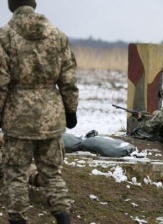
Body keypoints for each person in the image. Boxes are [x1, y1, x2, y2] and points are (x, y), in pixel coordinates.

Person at [0, 0, 79, 223]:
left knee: (15, 174)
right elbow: (69, 79)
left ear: (12, 6)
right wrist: (71, 109)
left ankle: (18, 219)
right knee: (52, 173)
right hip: (51, 116)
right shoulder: (58, 36)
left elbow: (1, 81)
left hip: (18, 117)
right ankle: (63, 218)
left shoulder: (4, 36)